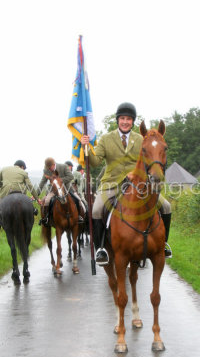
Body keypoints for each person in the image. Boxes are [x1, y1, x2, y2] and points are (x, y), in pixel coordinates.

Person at [81, 102, 172, 266]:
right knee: (95, 210)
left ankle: (162, 245)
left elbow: (149, 162)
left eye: (128, 119)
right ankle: (101, 249)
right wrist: (86, 146)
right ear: (118, 120)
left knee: (166, 206)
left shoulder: (141, 139)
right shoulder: (106, 139)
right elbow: (94, 162)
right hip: (111, 184)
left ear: (132, 122)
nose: (125, 122)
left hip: (138, 185)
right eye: (122, 118)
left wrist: (137, 174)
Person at [38, 157, 86, 226]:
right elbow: (42, 182)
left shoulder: (64, 167)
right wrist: (36, 194)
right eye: (47, 167)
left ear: (53, 164)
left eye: (49, 167)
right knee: (47, 201)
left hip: (67, 189)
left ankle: (78, 216)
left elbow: (70, 177)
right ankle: (46, 218)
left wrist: (58, 181)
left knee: (78, 199)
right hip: (54, 191)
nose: (48, 169)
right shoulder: (46, 170)